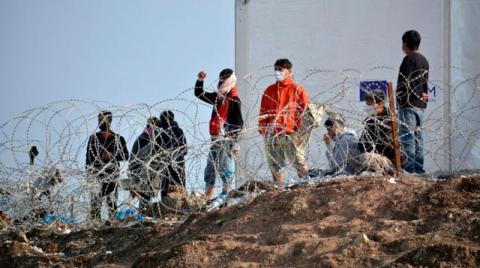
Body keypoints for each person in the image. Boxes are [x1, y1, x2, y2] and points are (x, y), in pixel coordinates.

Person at [258, 59, 310, 189]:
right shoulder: (269, 90)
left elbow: (304, 110)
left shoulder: (297, 89)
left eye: (280, 70)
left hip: (290, 133)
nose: (277, 72)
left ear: (289, 71)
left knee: (298, 161)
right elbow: (263, 111)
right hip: (272, 134)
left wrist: (297, 129)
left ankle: (305, 186)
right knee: (276, 164)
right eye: (276, 70)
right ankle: (279, 189)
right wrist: (263, 129)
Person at [195, 68, 243, 200]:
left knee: (225, 169)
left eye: (225, 77)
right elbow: (199, 94)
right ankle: (208, 197)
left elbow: (238, 122)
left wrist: (235, 142)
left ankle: (227, 196)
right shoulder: (218, 97)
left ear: (231, 79)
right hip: (215, 138)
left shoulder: (234, 99)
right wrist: (200, 80)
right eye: (221, 77)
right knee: (210, 170)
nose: (222, 80)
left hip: (226, 139)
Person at [396, 30, 429, 174]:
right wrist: (424, 100)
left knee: (408, 137)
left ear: (405, 44)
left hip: (408, 104)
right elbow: (425, 85)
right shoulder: (424, 61)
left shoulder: (408, 60)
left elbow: (404, 82)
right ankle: (418, 168)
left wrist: (400, 100)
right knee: (418, 138)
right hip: (420, 104)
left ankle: (410, 169)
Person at [86, 111, 129, 221]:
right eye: (99, 120)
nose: (100, 122)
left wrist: (112, 156)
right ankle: (95, 224)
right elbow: (89, 157)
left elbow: (125, 155)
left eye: (102, 120)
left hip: (111, 174)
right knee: (96, 202)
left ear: (110, 121)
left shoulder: (118, 138)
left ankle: (111, 223)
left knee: (112, 201)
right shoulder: (94, 138)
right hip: (96, 173)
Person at [354, 90, 395, 175]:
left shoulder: (389, 120)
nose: (368, 107)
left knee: (366, 156)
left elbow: (387, 145)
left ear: (380, 104)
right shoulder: (369, 121)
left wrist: (371, 147)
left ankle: (382, 172)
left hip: (388, 159)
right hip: (374, 155)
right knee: (351, 153)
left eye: (371, 104)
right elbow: (362, 144)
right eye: (367, 105)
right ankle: (366, 170)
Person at [129, 117, 162, 213]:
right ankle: (143, 214)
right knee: (145, 196)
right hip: (143, 172)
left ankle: (143, 213)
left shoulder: (145, 137)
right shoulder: (145, 139)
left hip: (143, 172)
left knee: (145, 197)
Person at [156, 110, 187, 199]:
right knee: (180, 194)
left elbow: (156, 152)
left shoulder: (160, 134)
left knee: (165, 195)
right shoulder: (179, 131)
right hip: (179, 166)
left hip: (165, 167)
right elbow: (184, 150)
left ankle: (166, 211)